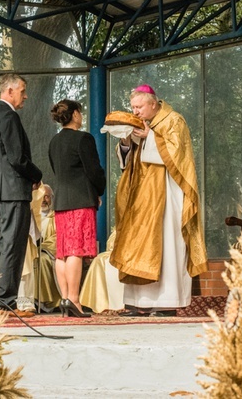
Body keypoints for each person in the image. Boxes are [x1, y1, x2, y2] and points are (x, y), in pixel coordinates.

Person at [110, 85, 207, 317]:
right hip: (139, 198)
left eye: (139, 107)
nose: (135, 112)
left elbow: (179, 156)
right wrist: (125, 143)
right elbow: (127, 160)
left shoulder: (174, 120)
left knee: (166, 245)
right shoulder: (136, 124)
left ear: (153, 104)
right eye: (133, 107)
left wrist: (150, 137)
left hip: (166, 194)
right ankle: (137, 303)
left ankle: (165, 303)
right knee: (135, 243)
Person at [0, 73, 42, 318]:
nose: (25, 96)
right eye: (22, 90)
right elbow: (17, 158)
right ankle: (5, 302)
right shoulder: (9, 116)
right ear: (9, 91)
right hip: (14, 190)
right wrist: (37, 174)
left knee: (4, 245)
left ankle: (0, 299)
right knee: (12, 246)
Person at [48, 99, 106, 318]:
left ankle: (65, 298)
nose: (81, 116)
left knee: (62, 252)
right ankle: (74, 299)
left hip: (61, 200)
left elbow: (56, 170)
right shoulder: (84, 138)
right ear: (74, 115)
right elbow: (94, 170)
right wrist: (98, 190)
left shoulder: (54, 141)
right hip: (80, 199)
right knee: (76, 250)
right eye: (80, 112)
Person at [17, 184, 62, 313]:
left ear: (52, 198)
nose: (44, 200)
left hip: (47, 253)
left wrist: (43, 248)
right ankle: (28, 300)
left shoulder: (56, 217)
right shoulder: (31, 215)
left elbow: (58, 237)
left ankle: (44, 300)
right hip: (32, 250)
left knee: (40, 260)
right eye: (41, 197)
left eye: (47, 197)